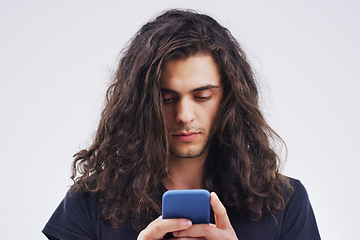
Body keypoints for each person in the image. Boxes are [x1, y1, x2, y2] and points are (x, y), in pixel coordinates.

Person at [43, 9, 321, 240]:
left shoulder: (285, 203)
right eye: (166, 98)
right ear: (141, 104)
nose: (184, 115)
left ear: (229, 98)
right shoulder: (90, 203)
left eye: (202, 96)